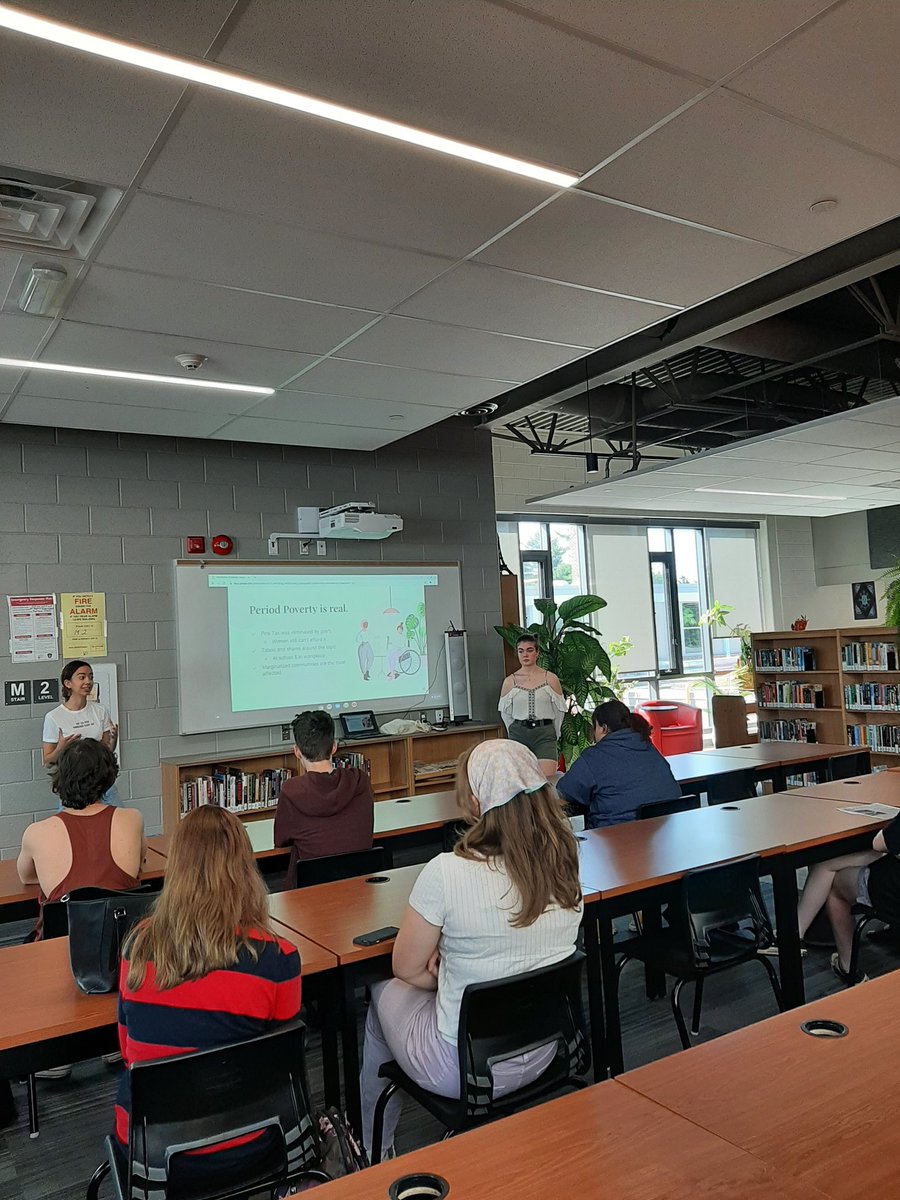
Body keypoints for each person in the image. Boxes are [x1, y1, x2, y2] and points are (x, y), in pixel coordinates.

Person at [360, 740, 582, 1159]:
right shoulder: (567, 864)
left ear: (478, 803)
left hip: (462, 1068)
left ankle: (375, 1153)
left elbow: (405, 969)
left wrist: (452, 975)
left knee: (379, 994)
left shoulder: (447, 872)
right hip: (545, 1049)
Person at [117, 805, 301, 1187]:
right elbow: (285, 1058)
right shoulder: (276, 958)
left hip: (156, 1157)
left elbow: (128, 1050)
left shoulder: (137, 948)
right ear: (245, 868)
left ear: (176, 867)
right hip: (260, 1139)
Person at [17, 739, 144, 931]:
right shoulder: (132, 819)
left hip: (62, 948)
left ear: (60, 777)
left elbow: (26, 877)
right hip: (124, 947)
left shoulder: (36, 833)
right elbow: (140, 863)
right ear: (108, 776)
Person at [790, 814, 900, 986]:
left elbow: (880, 843)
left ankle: (848, 967)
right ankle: (795, 933)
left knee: (833, 881)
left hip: (893, 890)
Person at [274, 709, 374, 875]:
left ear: (296, 751)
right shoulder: (360, 781)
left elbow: (281, 841)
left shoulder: (291, 791)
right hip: (361, 888)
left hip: (311, 894)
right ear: (334, 747)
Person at [557, 700, 680, 828]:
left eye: (594, 727)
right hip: (665, 830)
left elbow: (565, 791)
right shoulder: (646, 746)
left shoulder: (594, 756)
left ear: (603, 728)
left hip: (615, 835)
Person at [42, 660, 120, 805]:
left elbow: (106, 750)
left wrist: (113, 742)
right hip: (73, 786)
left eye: (91, 677)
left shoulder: (100, 711)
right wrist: (60, 748)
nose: (88, 681)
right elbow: (47, 761)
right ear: (68, 683)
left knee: (116, 822)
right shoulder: (53, 717)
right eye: (82, 677)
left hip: (101, 782)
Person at [498, 634, 566, 779]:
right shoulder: (510, 681)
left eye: (529, 650)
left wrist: (554, 733)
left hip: (545, 733)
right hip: (519, 733)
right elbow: (506, 713)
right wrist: (514, 731)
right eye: (521, 651)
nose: (525, 655)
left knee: (547, 779)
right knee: (520, 779)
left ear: (537, 652)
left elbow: (559, 711)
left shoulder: (551, 679)